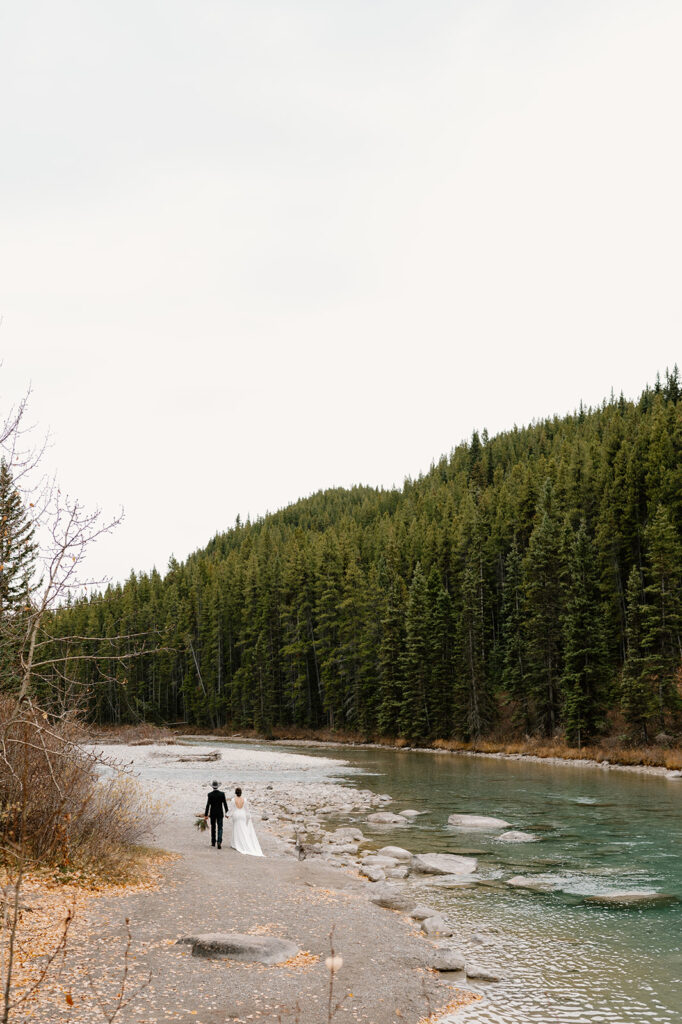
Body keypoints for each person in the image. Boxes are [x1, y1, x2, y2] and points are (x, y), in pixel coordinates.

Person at [229, 786, 264, 857]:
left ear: (235, 793)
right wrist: (248, 817)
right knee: (243, 829)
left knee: (236, 828)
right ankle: (241, 842)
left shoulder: (233, 800)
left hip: (236, 815)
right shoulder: (244, 800)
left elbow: (232, 810)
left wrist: (227, 815)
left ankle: (235, 843)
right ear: (241, 793)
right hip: (242, 815)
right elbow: (246, 809)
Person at [204, 780, 228, 849]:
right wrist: (227, 813)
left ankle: (213, 842)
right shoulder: (222, 794)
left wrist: (206, 815)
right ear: (218, 786)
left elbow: (208, 805)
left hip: (213, 813)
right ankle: (219, 841)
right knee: (220, 827)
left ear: (212, 787)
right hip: (220, 813)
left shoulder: (210, 794)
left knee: (213, 827)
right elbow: (225, 804)